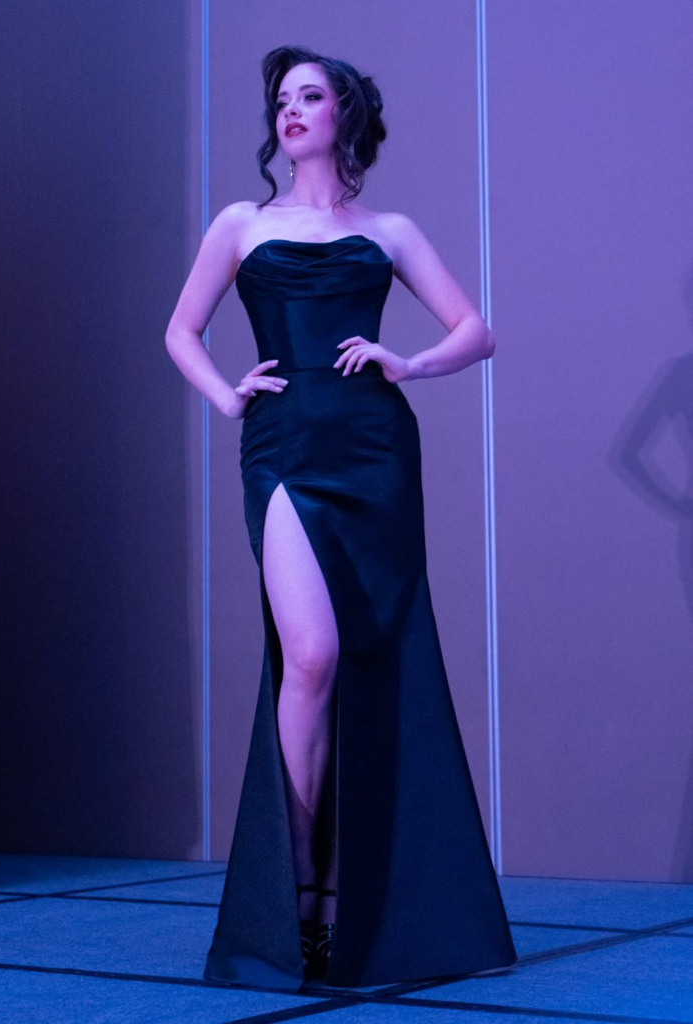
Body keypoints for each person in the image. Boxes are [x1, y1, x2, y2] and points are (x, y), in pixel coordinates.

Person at [165, 44, 518, 992]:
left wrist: (411, 363)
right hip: (282, 449)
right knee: (311, 656)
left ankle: (341, 911)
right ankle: (297, 902)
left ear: (343, 115)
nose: (289, 110)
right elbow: (180, 330)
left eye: (309, 96)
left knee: (370, 661)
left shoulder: (389, 229)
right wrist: (227, 396)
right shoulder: (242, 223)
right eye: (280, 99)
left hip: (374, 453)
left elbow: (476, 331)